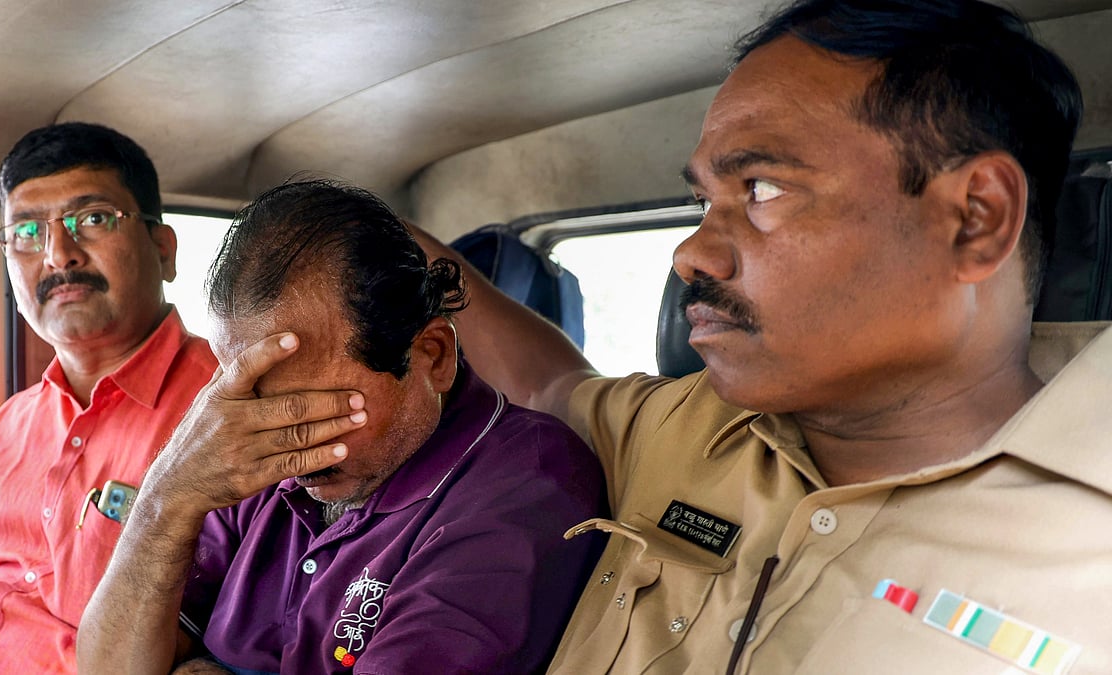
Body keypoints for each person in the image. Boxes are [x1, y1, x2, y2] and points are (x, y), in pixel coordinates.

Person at [410, 0, 1112, 672]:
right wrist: (363, 232)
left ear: (976, 218)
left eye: (762, 189)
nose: (691, 254)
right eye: (704, 202)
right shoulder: (697, 425)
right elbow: (546, 384)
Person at [76, 179, 607, 675]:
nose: (290, 444)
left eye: (314, 408)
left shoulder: (524, 486)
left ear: (433, 355)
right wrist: (165, 499)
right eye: (254, 400)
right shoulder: (247, 450)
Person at [0, 122, 219, 674]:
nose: (59, 254)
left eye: (94, 219)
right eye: (27, 231)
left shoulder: (222, 414)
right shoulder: (8, 427)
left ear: (163, 249)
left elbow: (219, 633)